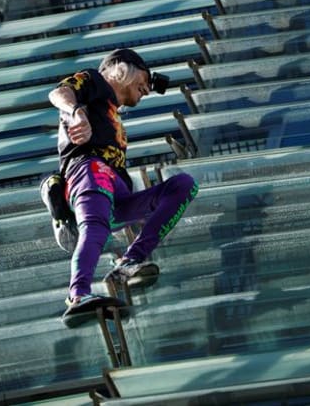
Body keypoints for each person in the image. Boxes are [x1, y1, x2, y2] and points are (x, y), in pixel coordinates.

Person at [47, 48, 198, 325]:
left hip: (116, 192)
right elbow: (58, 93)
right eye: (145, 79)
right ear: (123, 68)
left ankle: (127, 263)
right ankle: (78, 295)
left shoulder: (112, 110)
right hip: (90, 172)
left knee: (183, 185)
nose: (148, 89)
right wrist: (77, 112)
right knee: (95, 224)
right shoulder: (94, 81)